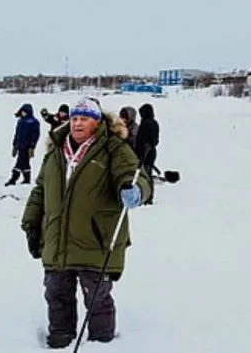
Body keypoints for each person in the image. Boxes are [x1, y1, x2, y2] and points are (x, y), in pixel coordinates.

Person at [20, 97, 152, 349]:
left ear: (97, 122)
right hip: (57, 238)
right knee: (56, 294)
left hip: (96, 240)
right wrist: (31, 222)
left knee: (97, 299)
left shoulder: (114, 148)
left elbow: (135, 176)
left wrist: (134, 189)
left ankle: (102, 344)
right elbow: (40, 190)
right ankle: (59, 341)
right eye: (74, 118)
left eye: (84, 118)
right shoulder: (56, 150)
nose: (78, 123)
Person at [5, 103, 40, 186]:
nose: (23, 113)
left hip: (27, 146)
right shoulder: (20, 121)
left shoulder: (34, 122)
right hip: (19, 145)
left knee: (19, 163)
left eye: (25, 112)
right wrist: (14, 145)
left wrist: (32, 146)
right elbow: (17, 134)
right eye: (22, 112)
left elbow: (35, 135)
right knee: (25, 163)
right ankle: (27, 179)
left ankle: (13, 179)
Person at [135, 103, 160, 205]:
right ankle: (148, 196)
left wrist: (141, 152)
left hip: (145, 152)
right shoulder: (154, 123)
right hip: (151, 151)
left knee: (145, 175)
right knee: (147, 174)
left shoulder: (146, 124)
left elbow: (143, 140)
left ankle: (148, 197)